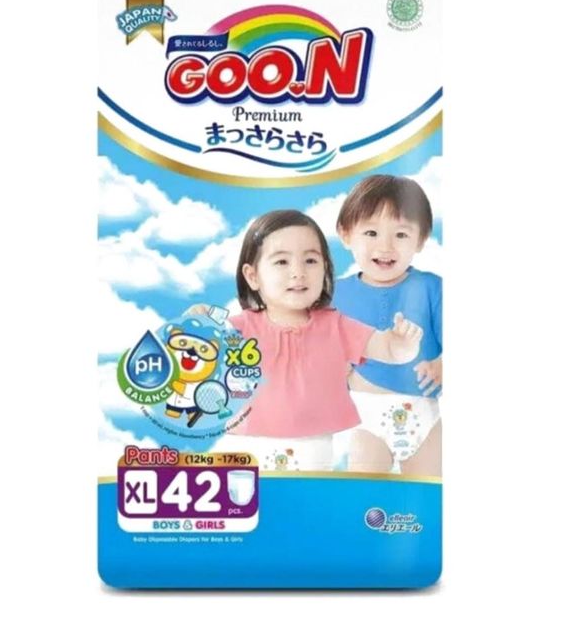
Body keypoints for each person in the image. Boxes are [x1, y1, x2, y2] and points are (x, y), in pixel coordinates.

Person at [188, 209, 422, 471]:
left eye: (310, 260)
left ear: (325, 269)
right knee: (252, 495)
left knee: (308, 494)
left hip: (314, 444)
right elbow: (196, 360)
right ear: (253, 276)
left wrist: (401, 343)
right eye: (282, 262)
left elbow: (386, 349)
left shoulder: (336, 326)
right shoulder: (238, 329)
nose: (298, 272)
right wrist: (196, 327)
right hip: (247, 443)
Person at [334, 175, 442, 475]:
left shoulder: (432, 288)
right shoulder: (334, 294)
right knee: (365, 488)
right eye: (371, 232)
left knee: (428, 489)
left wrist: (443, 364)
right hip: (367, 414)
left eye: (401, 234)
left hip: (424, 413)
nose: (385, 246)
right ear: (346, 234)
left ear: (421, 239)